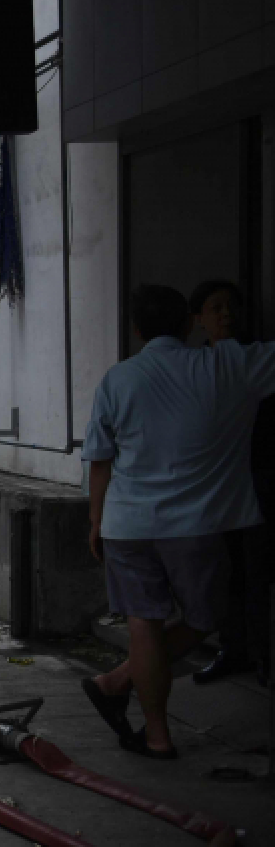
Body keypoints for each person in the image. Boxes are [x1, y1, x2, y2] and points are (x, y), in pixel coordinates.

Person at [80, 285, 275, 758]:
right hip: (195, 525)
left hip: (126, 524)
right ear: (191, 323)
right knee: (205, 618)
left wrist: (95, 522)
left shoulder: (118, 379)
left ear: (136, 329)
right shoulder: (230, 366)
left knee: (143, 627)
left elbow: (100, 460)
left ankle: (154, 732)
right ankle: (119, 681)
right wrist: (222, 334)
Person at [185, 278, 274, 687]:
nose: (226, 315)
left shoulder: (253, 361)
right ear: (198, 319)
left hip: (256, 480)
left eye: (231, 307)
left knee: (258, 570)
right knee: (225, 573)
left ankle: (261, 654)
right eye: (216, 307)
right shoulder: (189, 367)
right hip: (212, 488)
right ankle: (233, 648)